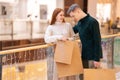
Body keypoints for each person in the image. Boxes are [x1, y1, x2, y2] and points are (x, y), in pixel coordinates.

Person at [67, 4, 103, 80]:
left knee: (92, 77)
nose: (73, 18)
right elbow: (70, 31)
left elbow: (97, 41)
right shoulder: (79, 23)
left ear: (78, 11)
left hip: (93, 57)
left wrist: (97, 59)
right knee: (83, 77)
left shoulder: (93, 22)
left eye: (73, 16)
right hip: (84, 55)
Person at [44, 8, 79, 80]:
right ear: (55, 16)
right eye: (60, 15)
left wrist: (67, 39)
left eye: (63, 15)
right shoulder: (51, 27)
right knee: (59, 75)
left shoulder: (67, 25)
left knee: (70, 74)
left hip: (69, 53)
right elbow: (46, 39)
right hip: (58, 55)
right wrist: (59, 37)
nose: (62, 17)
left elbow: (73, 37)